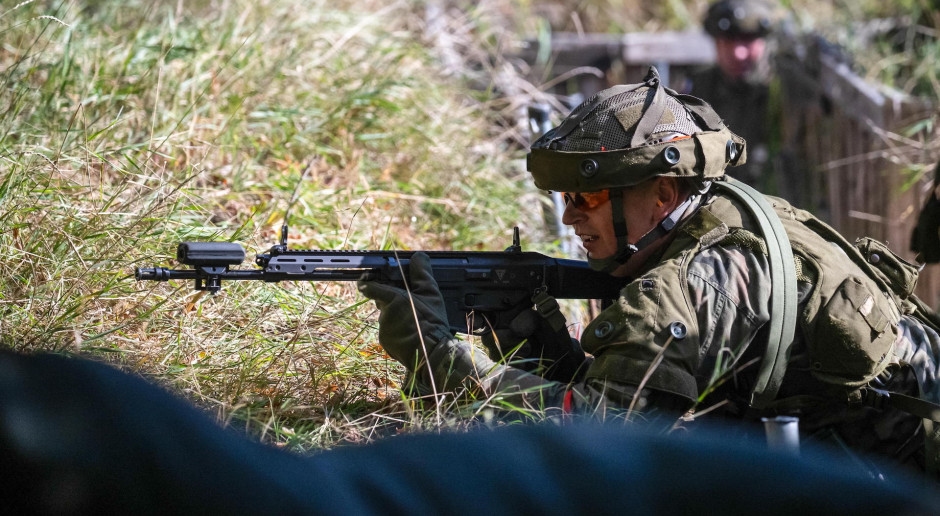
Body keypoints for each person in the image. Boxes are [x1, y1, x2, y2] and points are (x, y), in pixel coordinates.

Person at [358, 66, 940, 481]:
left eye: (586, 197)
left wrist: (450, 365)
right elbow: (658, 398)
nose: (569, 216)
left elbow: (601, 445)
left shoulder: (688, 285)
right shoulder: (735, 209)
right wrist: (550, 350)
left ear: (662, 193)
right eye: (565, 196)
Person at [681, 0, 780, 194]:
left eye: (747, 41)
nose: (738, 53)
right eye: (728, 41)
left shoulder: (781, 91)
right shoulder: (699, 89)